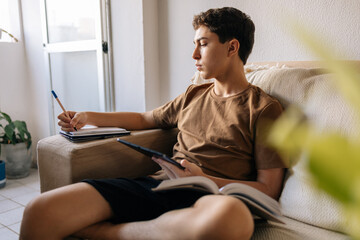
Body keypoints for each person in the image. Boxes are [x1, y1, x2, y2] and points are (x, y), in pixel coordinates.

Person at [20, 7, 286, 240]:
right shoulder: (193, 95)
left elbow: (269, 190)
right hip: (159, 186)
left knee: (231, 219)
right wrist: (89, 117)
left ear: (232, 47)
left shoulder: (263, 109)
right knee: (40, 211)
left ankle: (109, 233)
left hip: (212, 199)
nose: (194, 54)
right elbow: (144, 119)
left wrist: (203, 179)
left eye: (203, 44)